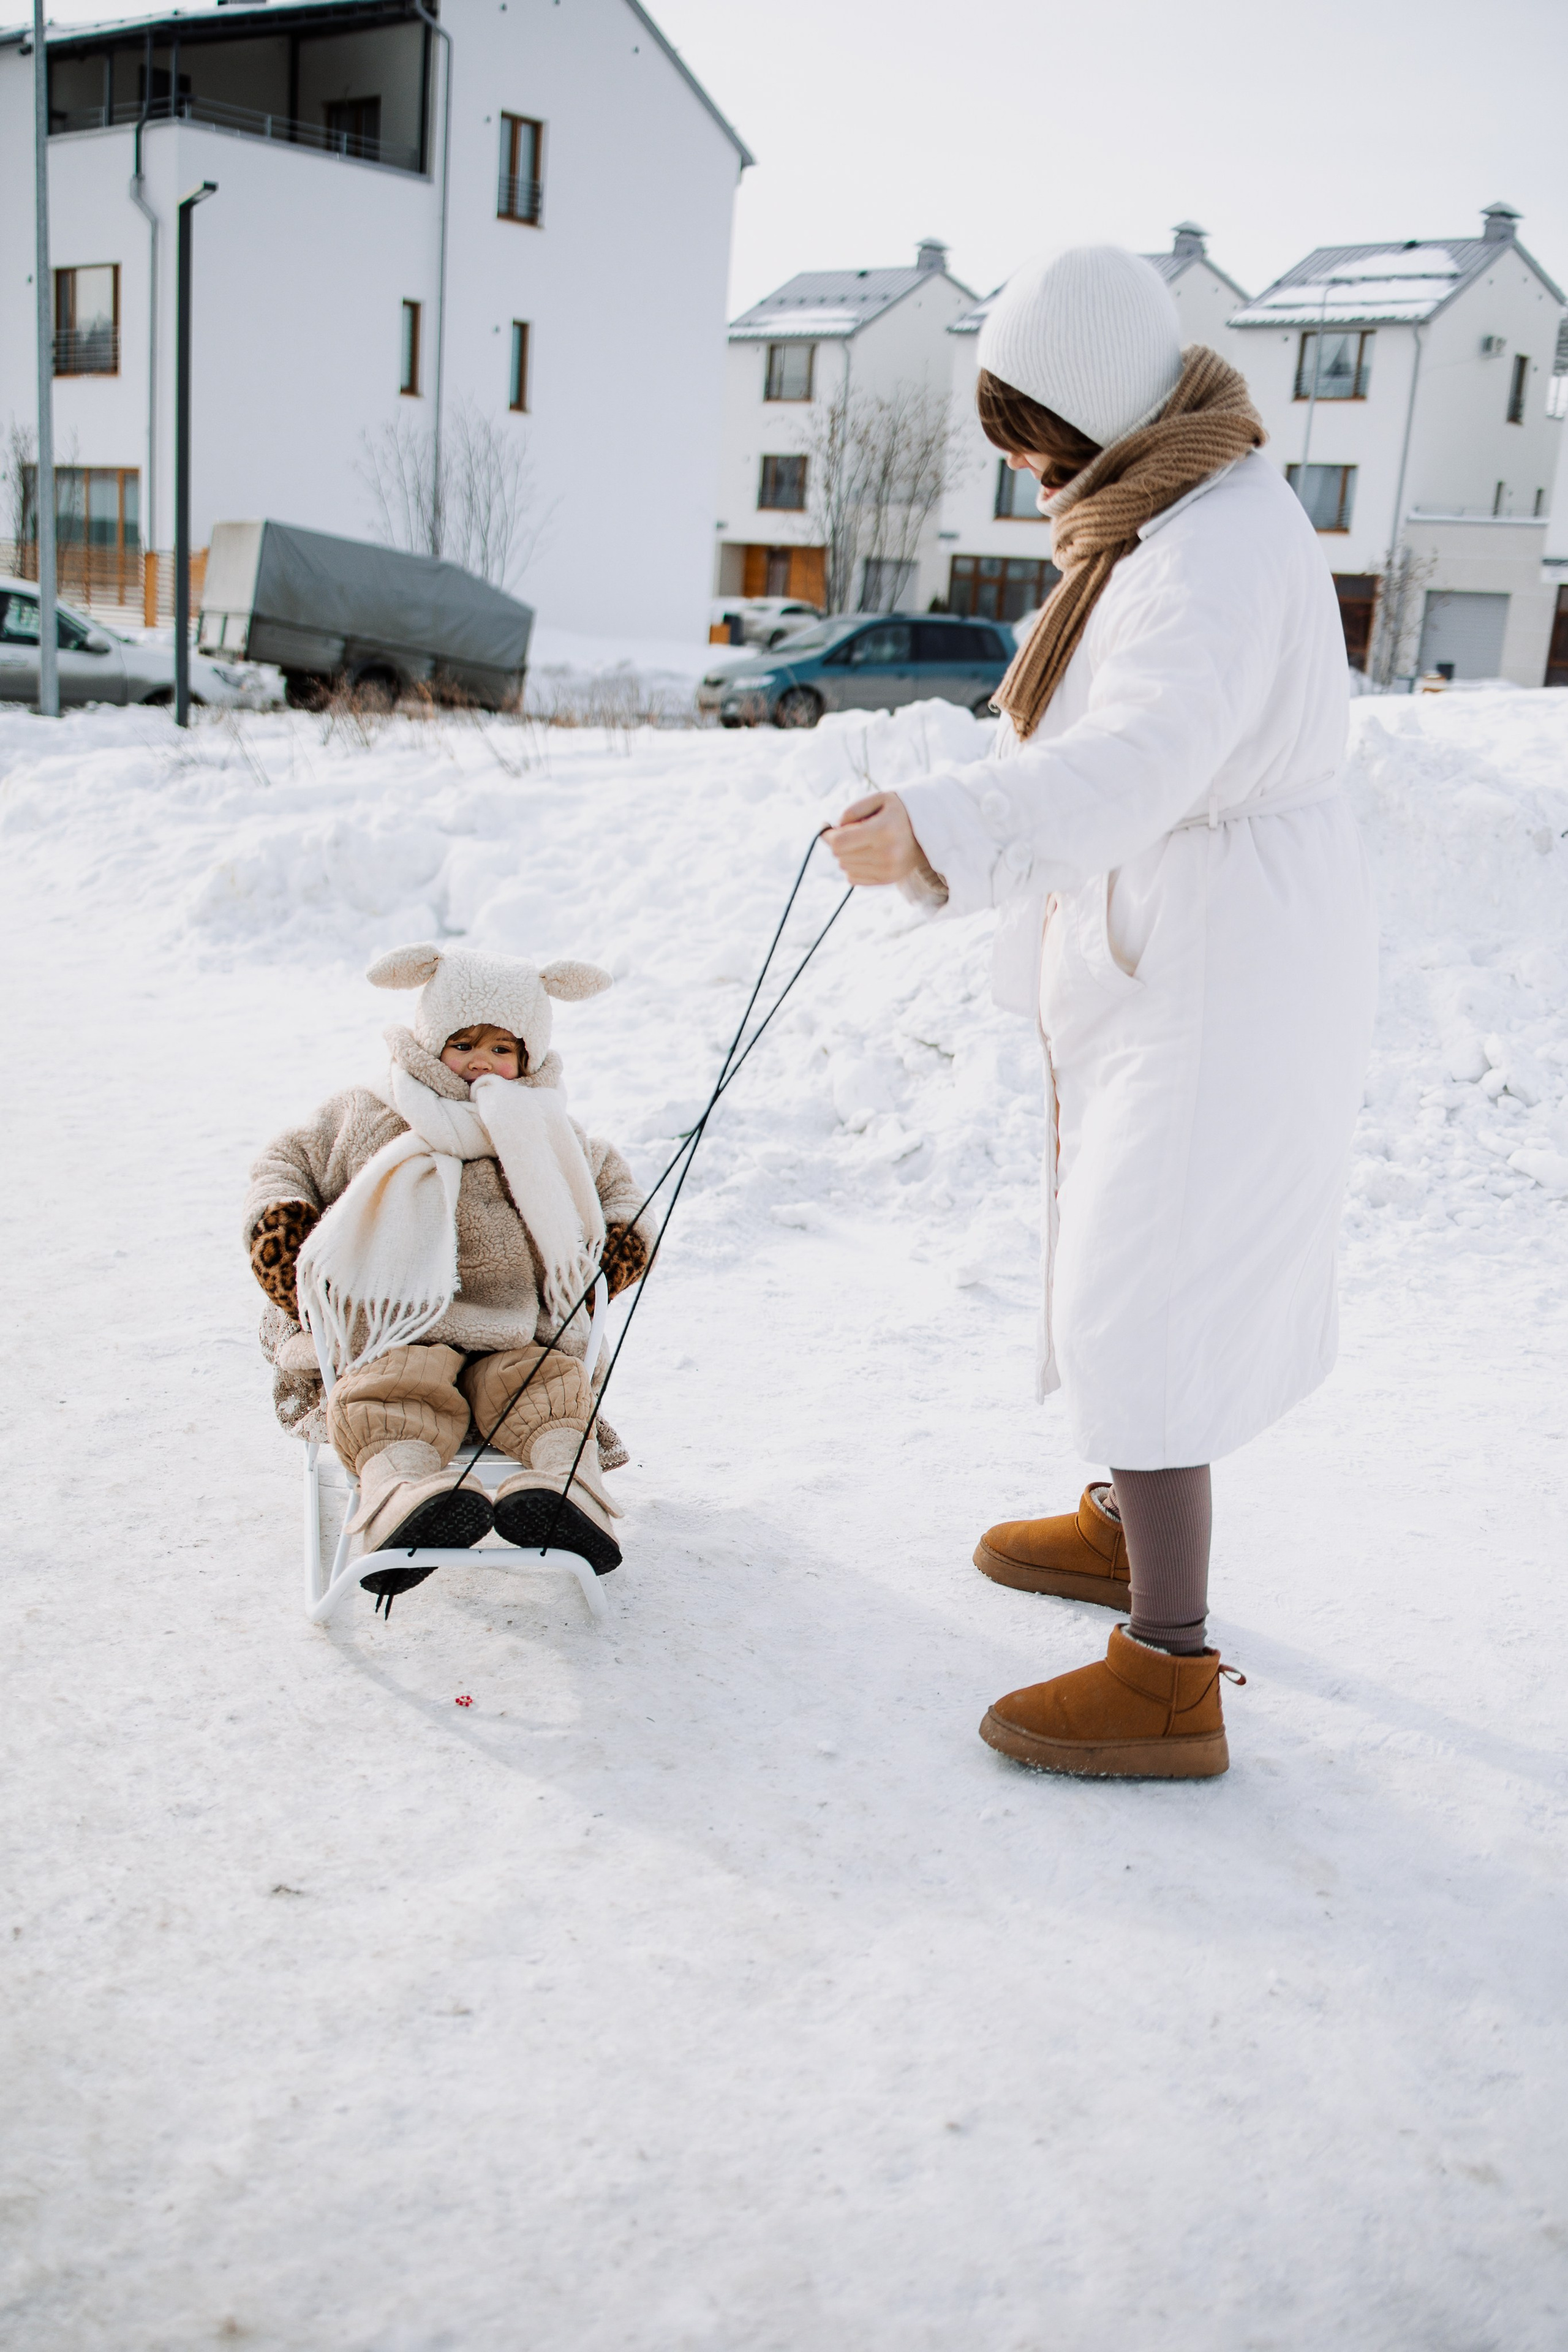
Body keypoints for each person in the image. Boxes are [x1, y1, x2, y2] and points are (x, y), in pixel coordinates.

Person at [824, 244, 1377, 1781]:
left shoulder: (1205, 546)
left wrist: (939, 831)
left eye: (1025, 429)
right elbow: (1082, 734)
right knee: (1121, 1253)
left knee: (1145, 1280)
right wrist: (942, 791)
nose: (1016, 460)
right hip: (1184, 935)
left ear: (1094, 405)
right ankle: (1128, 1518)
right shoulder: (1168, 508)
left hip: (1217, 956)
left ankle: (1168, 1670)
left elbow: (1136, 763)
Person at [243, 943, 654, 1610]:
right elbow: (285, 1159)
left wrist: (620, 1242)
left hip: (519, 1325)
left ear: (527, 1058)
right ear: (432, 1041)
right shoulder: (367, 1111)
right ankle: (403, 1497)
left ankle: (565, 1493)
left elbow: (616, 1190)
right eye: (464, 1044)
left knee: (546, 1390)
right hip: (393, 1321)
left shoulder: (552, 1129)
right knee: (390, 1394)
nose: (482, 1063)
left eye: (502, 1049)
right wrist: (281, 1221)